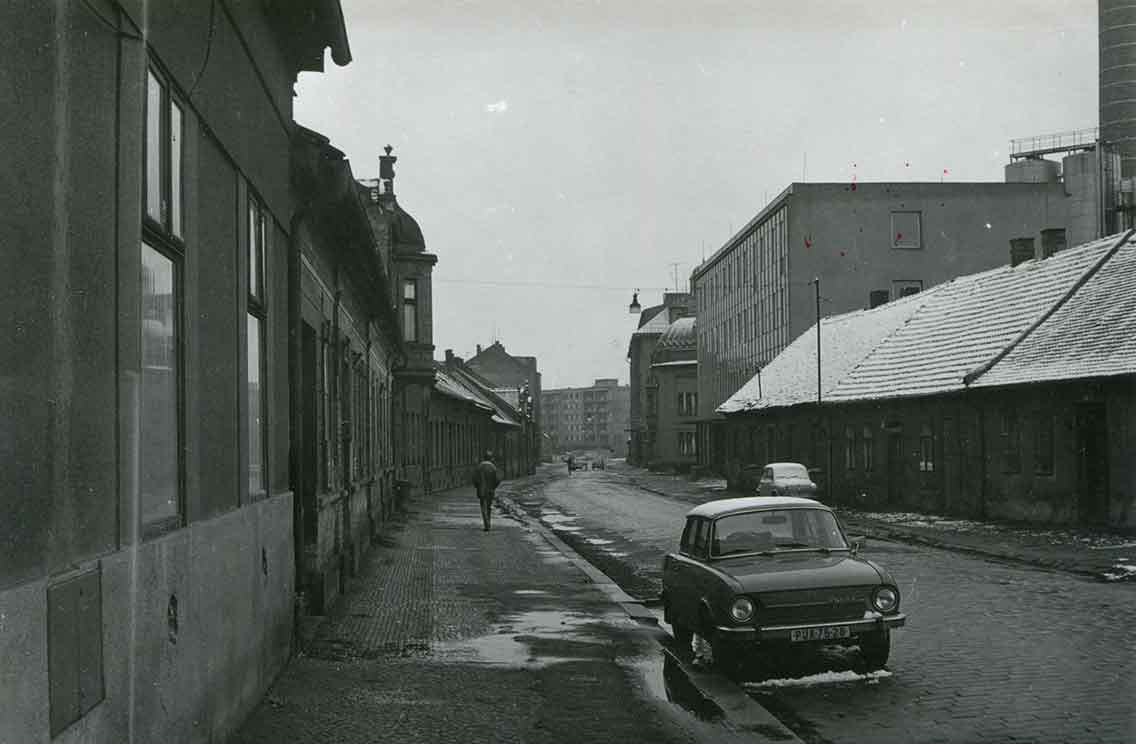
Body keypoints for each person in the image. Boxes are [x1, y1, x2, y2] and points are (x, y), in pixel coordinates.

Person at [471, 450, 501, 532]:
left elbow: (474, 479)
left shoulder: (479, 467)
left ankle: (486, 524)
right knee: (488, 507)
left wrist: (477, 487)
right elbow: (498, 480)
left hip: (481, 491)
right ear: (491, 459)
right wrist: (493, 487)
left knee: (483, 507)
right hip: (490, 491)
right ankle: (488, 523)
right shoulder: (493, 468)